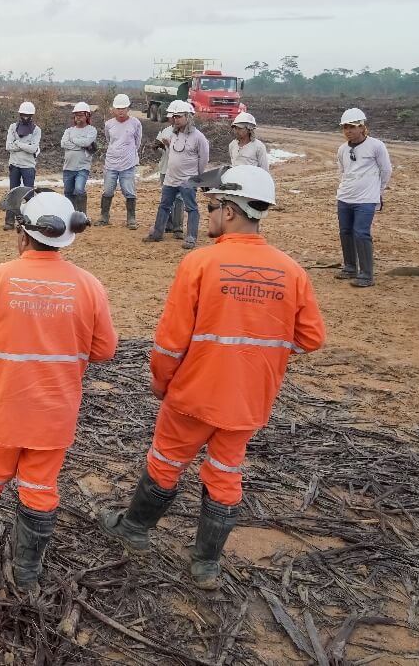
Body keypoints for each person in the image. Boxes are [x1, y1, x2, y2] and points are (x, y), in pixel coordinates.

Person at [99, 166, 326, 589]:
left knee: (166, 463)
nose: (207, 215)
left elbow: (170, 341)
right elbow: (311, 338)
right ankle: (205, 564)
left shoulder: (201, 263)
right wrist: (262, 352)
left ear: (233, 210)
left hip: (194, 394)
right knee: (225, 473)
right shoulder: (291, 271)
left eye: (212, 207)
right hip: (249, 401)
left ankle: (134, 530)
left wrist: (162, 382)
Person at [0, 190, 116, 591]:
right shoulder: (89, 287)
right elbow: (104, 350)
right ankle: (26, 573)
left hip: (2, 408)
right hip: (55, 416)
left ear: (23, 234)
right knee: (39, 488)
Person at [335, 108, 392, 288]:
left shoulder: (376, 146)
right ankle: (350, 267)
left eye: (352, 127)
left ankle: (366, 274)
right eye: (345, 127)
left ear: (362, 127)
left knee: (361, 233)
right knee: (345, 232)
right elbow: (342, 172)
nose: (348, 131)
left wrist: (378, 191)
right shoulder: (342, 149)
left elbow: (386, 170)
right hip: (345, 197)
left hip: (366, 199)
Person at [143, 101, 208, 250]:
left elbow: (203, 159)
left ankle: (191, 237)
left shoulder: (198, 137)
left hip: (188, 179)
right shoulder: (173, 134)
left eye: (178, 117)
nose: (175, 119)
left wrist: (197, 177)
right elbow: (172, 154)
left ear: (188, 117)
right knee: (164, 206)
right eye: (174, 116)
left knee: (191, 208)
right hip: (171, 178)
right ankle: (157, 233)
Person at [101, 94, 143, 229]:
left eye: (123, 108)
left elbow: (137, 142)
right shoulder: (109, 124)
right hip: (111, 163)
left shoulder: (135, 123)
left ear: (128, 108)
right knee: (107, 191)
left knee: (129, 191)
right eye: (118, 108)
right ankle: (104, 217)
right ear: (113, 109)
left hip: (128, 164)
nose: (121, 111)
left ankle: (131, 218)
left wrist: (129, 153)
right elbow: (109, 140)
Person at [4, 101, 41, 231]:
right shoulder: (13, 127)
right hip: (14, 164)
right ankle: (9, 221)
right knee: (13, 193)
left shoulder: (36, 130)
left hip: (28, 166)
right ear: (20, 114)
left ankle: (28, 220)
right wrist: (26, 146)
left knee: (29, 194)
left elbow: (33, 149)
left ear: (32, 115)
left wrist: (18, 143)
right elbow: (8, 146)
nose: (25, 117)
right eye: (23, 114)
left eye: (28, 115)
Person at [60, 102, 97, 215]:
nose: (78, 117)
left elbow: (87, 142)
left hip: (82, 167)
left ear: (87, 116)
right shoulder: (69, 131)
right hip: (68, 167)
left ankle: (82, 215)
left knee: (79, 190)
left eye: (81, 115)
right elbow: (63, 144)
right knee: (68, 192)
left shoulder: (91, 130)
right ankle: (71, 214)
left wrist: (73, 140)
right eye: (76, 115)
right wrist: (80, 146)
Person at [153, 118, 184, 237]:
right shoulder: (165, 131)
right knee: (167, 198)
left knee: (179, 198)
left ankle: (178, 227)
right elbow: (161, 152)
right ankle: (168, 224)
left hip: (179, 170)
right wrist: (159, 146)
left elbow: (182, 152)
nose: (172, 119)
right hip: (165, 168)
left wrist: (169, 145)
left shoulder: (187, 135)